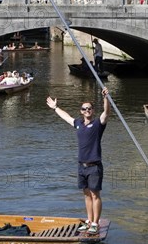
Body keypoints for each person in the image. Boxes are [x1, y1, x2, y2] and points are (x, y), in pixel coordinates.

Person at [46, 87, 111, 235]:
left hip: (94, 166)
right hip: (82, 166)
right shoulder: (79, 124)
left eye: (89, 108)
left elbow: (106, 113)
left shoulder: (98, 125)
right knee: (86, 194)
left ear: (93, 111)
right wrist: (55, 108)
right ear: (81, 111)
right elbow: (66, 117)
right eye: (84, 109)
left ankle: (96, 223)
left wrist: (106, 98)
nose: (87, 110)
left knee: (95, 195)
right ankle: (89, 221)